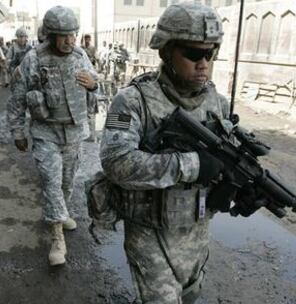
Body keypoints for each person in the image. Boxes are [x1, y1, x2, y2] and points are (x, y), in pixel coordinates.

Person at [100, 3, 227, 303]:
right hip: (150, 233)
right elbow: (116, 162)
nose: (204, 63)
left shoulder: (218, 102)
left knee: (191, 295)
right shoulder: (131, 101)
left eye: (211, 53)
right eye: (194, 54)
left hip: (197, 230)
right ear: (166, 51)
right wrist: (191, 165)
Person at [7, 5, 98, 266]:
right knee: (50, 181)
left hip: (74, 132)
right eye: (64, 35)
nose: (70, 40)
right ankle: (57, 236)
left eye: (73, 34)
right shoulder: (33, 59)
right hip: (46, 133)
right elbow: (17, 99)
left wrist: (94, 85)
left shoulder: (81, 56)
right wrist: (17, 131)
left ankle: (61, 212)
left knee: (68, 182)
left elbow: (95, 84)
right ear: (50, 35)